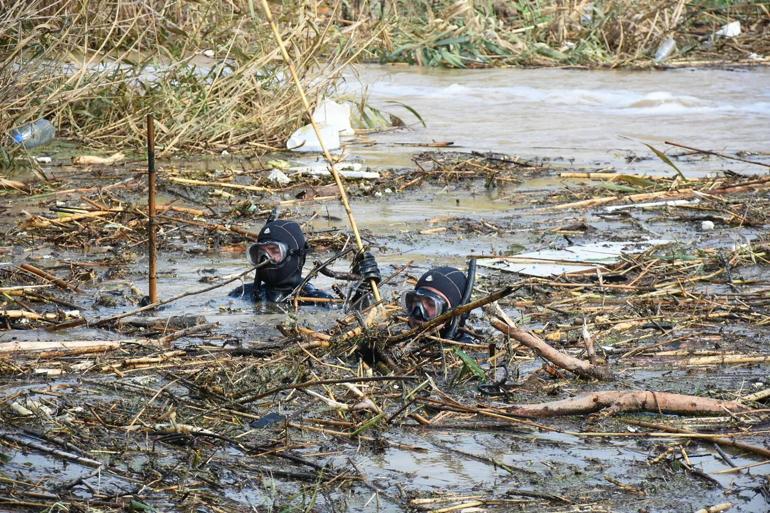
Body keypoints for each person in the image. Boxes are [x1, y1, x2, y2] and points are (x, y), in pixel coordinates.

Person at [230, 216, 380, 306]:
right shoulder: (242, 294)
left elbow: (352, 316)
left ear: (297, 255)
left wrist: (363, 290)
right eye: (259, 253)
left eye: (274, 251)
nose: (265, 260)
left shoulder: (315, 300)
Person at [401, 261, 476, 341]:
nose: (417, 313)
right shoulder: (399, 337)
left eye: (431, 304)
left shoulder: (467, 348)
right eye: (414, 301)